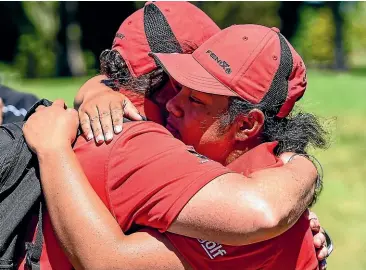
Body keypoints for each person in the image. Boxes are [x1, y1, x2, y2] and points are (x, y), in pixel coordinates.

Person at [23, 16, 329, 270]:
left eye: (195, 98)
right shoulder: (262, 175)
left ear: (247, 124)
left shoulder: (242, 213)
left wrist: (53, 150)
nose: (172, 104)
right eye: (177, 88)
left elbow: (109, 262)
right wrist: (96, 92)